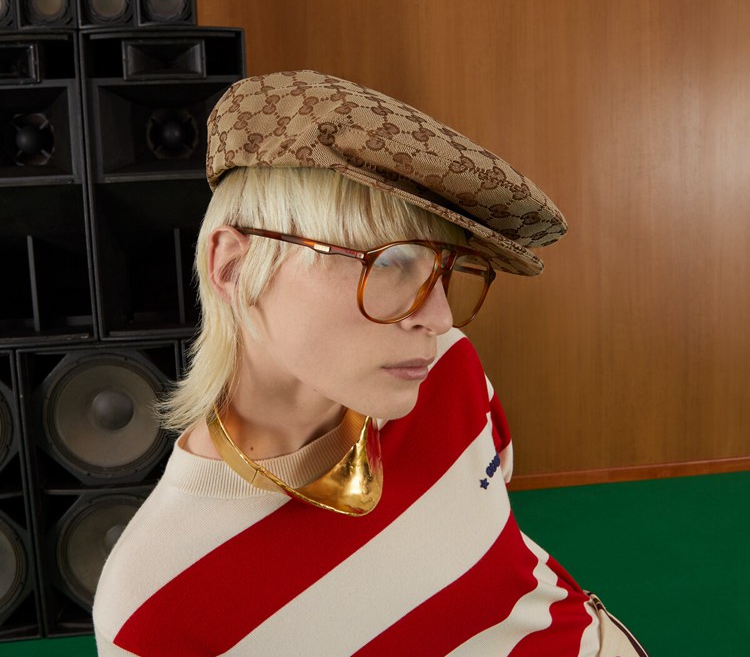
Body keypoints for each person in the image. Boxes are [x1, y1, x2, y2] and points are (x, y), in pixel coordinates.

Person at [93, 70, 647, 656]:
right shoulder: (151, 608)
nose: (438, 318)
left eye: (442, 270)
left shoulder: (449, 370)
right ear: (233, 268)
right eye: (389, 262)